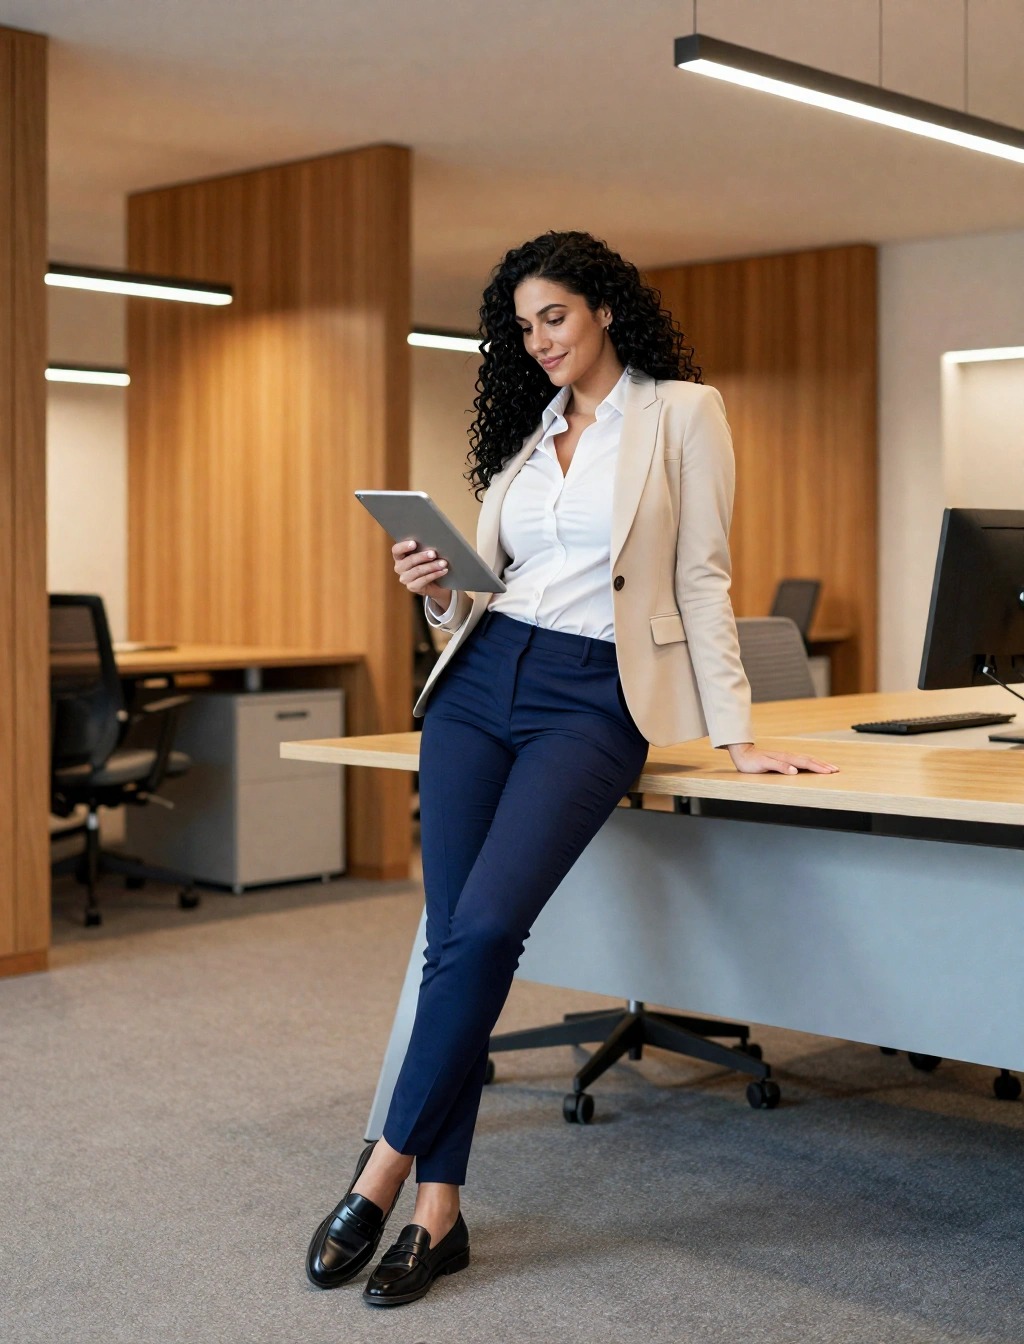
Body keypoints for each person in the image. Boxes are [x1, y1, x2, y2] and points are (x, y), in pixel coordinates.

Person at [305, 230, 839, 1307]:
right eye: (521, 327)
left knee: (491, 928)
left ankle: (380, 1167)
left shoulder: (683, 414)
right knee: (453, 943)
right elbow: (487, 593)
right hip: (477, 684)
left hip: (592, 697)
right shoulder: (525, 436)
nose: (538, 340)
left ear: (601, 306)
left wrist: (738, 729)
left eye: (553, 316)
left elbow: (700, 577)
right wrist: (434, 591)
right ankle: (436, 1216)